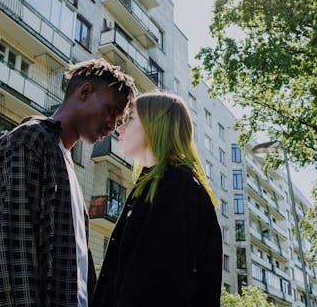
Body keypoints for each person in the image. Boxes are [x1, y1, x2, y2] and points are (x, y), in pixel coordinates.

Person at [0, 58, 137, 307]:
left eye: (118, 119)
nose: (112, 125)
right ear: (85, 92)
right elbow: (14, 252)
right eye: (111, 111)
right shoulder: (29, 140)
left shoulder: (64, 161)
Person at [91, 91, 223, 307]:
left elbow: (159, 284)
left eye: (130, 119)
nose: (119, 128)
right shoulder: (154, 186)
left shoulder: (177, 187)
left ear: (155, 125)